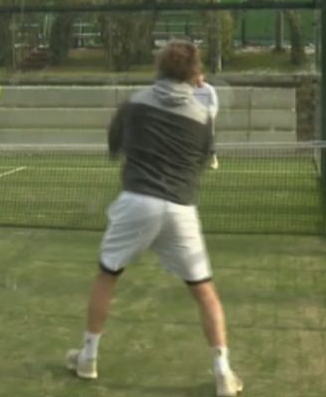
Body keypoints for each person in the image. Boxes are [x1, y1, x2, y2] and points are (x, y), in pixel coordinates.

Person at [65, 41, 242, 397]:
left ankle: (88, 358)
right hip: (180, 208)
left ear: (159, 67)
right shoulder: (202, 117)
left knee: (107, 275)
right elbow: (203, 160)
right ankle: (223, 372)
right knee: (204, 290)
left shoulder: (133, 105)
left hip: (137, 202)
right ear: (195, 74)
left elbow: (114, 147)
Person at [193, 73, 220, 169]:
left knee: (209, 140)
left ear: (203, 77)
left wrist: (210, 116)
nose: (197, 79)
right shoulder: (192, 89)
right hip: (196, 119)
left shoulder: (210, 89)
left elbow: (214, 104)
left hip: (207, 119)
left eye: (199, 76)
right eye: (196, 77)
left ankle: (214, 160)